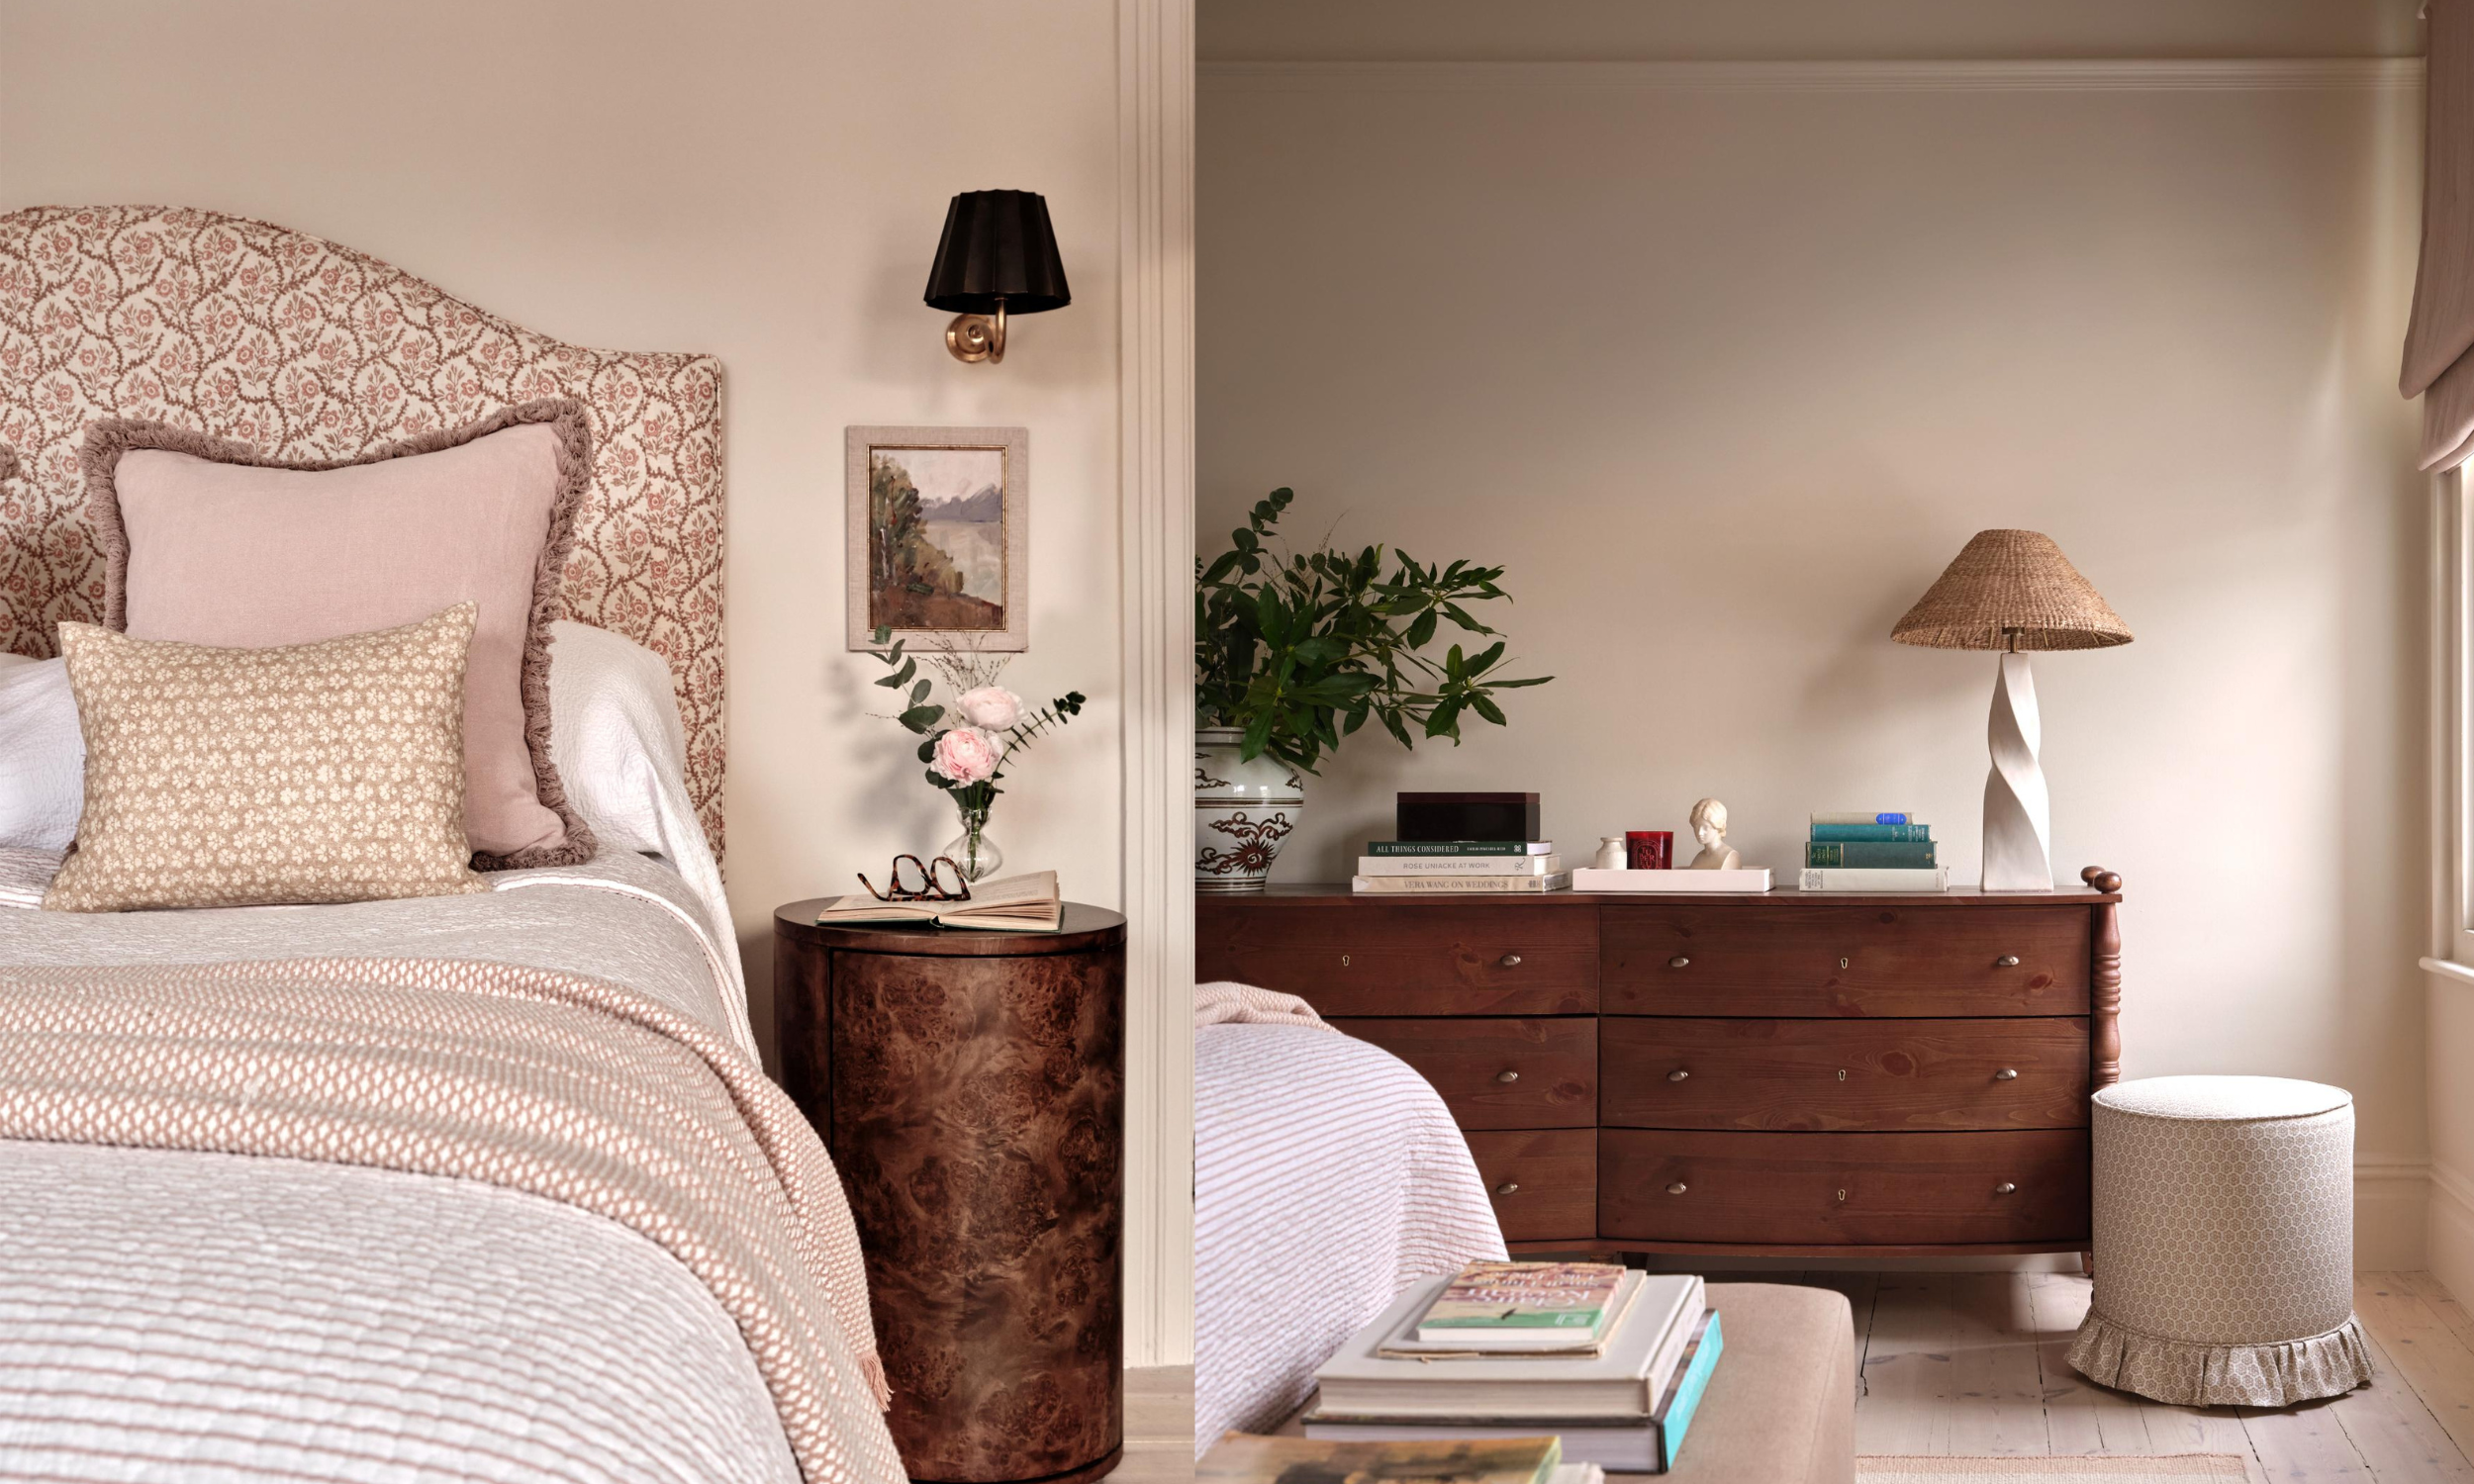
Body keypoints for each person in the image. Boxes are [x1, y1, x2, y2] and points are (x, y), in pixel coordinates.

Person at [1687, 796, 1741, 870]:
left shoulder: (1730, 856)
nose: (1700, 832)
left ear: (1717, 826)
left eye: (1705, 827)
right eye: (1696, 827)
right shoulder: (1699, 857)